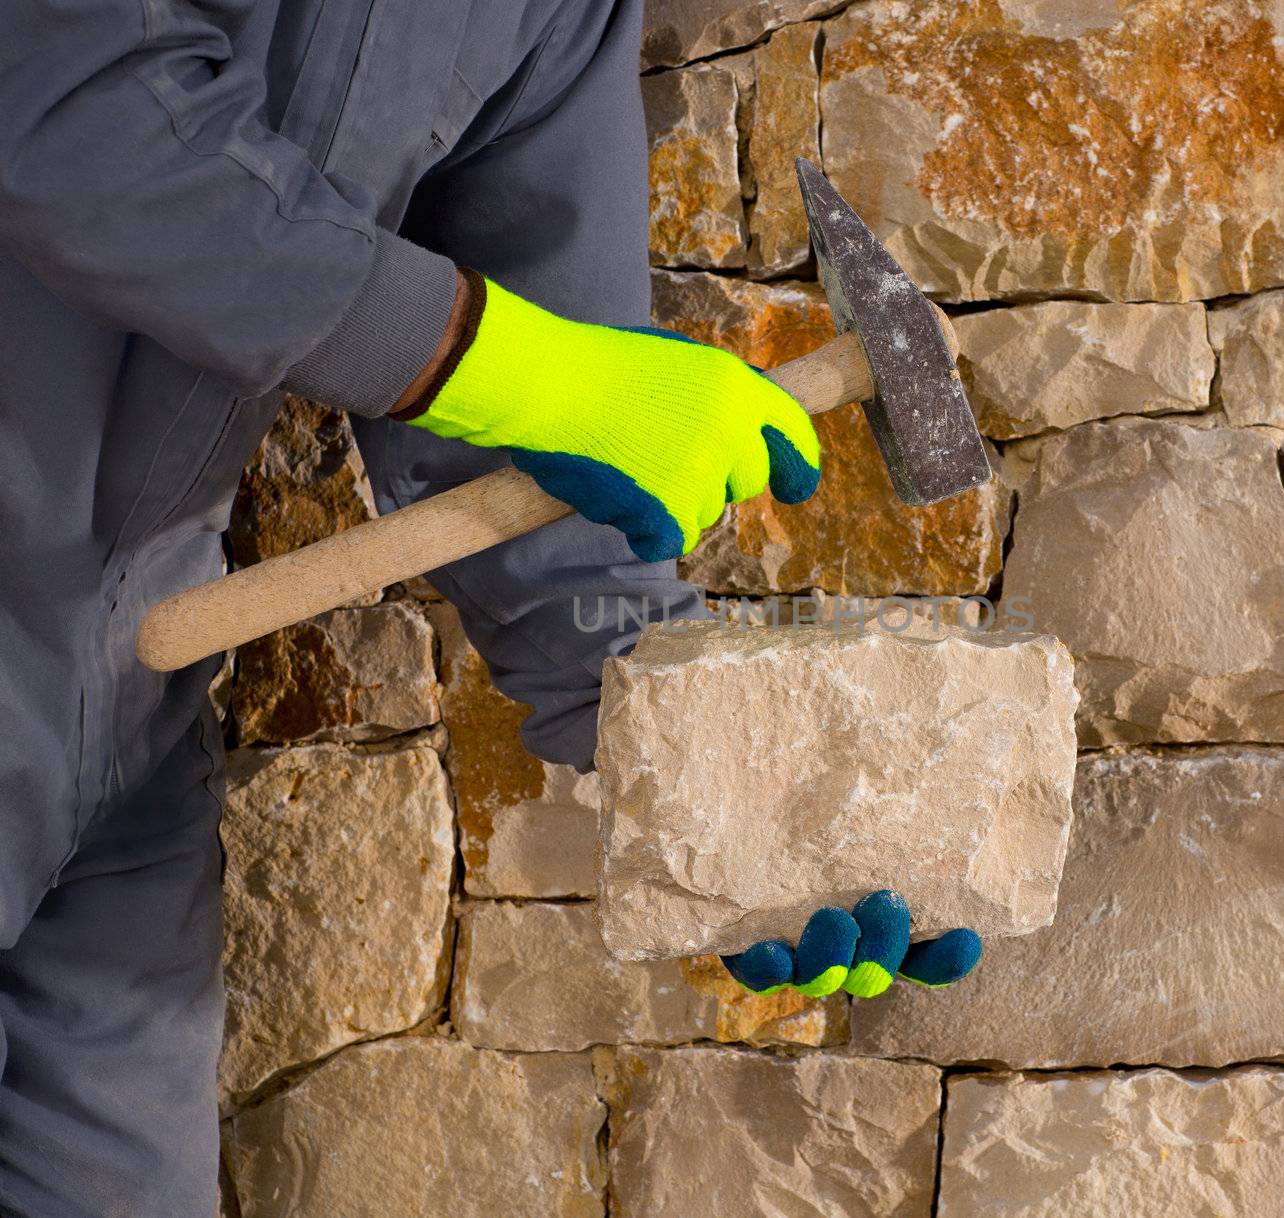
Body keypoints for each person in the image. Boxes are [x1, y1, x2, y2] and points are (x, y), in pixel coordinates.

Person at [0, 1, 980, 1211]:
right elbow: (66, 109)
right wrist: (520, 371)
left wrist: (726, 803)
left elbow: (537, 454)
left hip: (127, 718)